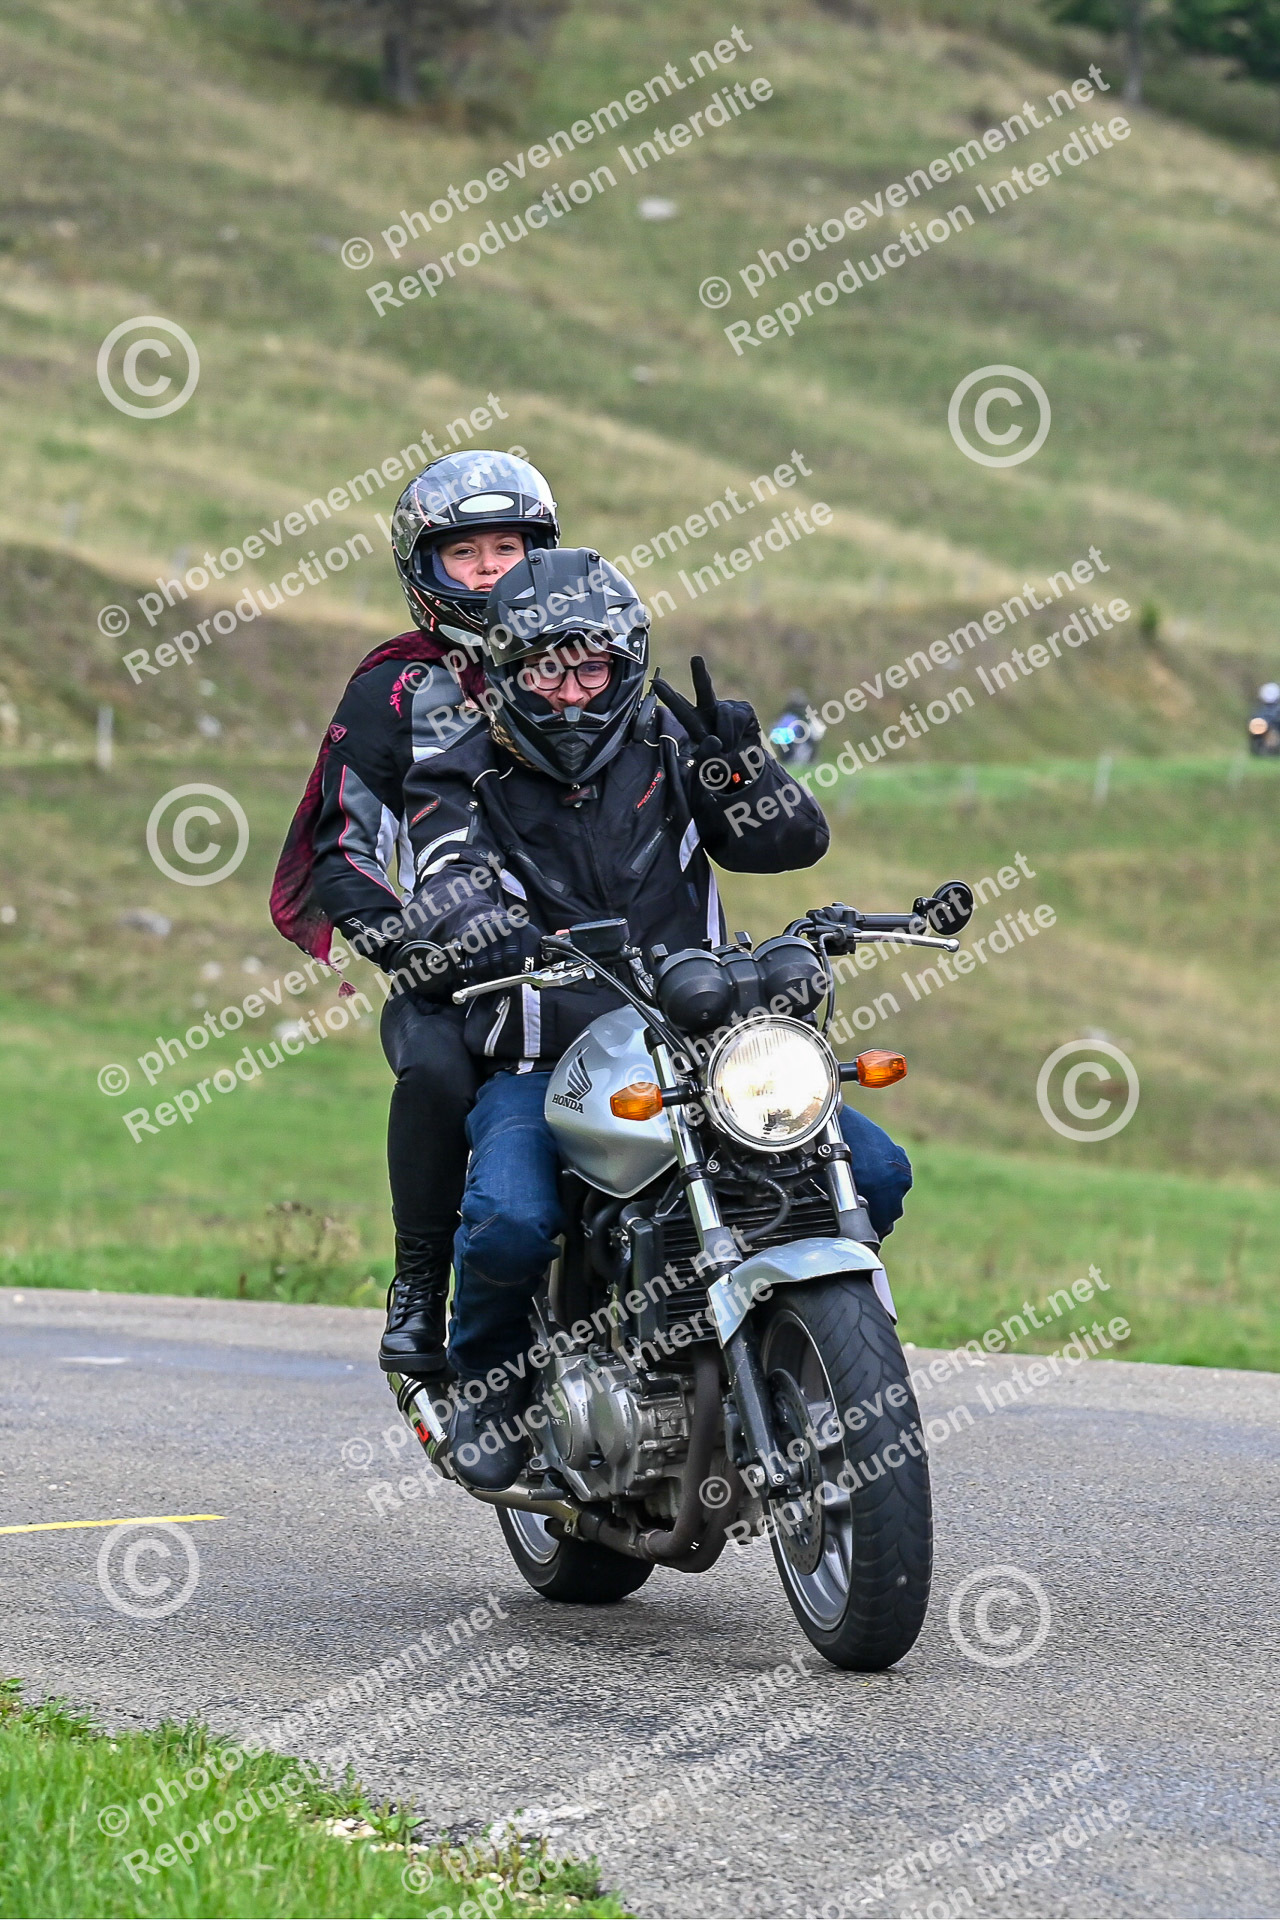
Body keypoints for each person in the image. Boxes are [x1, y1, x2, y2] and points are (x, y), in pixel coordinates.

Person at [388, 548, 914, 1489]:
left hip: (699, 1044)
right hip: (545, 1059)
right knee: (510, 1222)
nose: (571, 693)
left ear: (625, 663)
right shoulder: (459, 771)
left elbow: (790, 844)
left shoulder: (670, 746)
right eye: (545, 670)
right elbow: (444, 879)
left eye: (591, 668)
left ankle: (788, 1342)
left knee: (876, 1169)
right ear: (505, 673)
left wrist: (742, 768)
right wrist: (480, 929)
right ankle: (492, 1390)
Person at [269, 450, 558, 1381]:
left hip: (587, 955)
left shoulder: (582, 658)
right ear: (424, 569)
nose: (489, 571)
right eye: (464, 554)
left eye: (507, 549)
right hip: (453, 967)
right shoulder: (391, 689)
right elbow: (341, 845)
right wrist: (403, 944)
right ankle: (422, 1279)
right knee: (436, 1068)